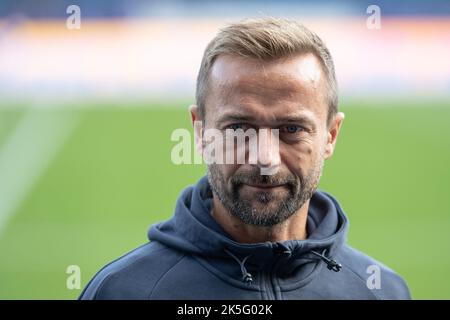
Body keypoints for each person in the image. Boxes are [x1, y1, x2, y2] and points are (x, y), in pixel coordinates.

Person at [80, 17, 411, 300]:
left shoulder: (383, 292)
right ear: (200, 132)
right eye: (238, 127)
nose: (265, 159)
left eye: (291, 128)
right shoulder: (123, 291)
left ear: (331, 135)